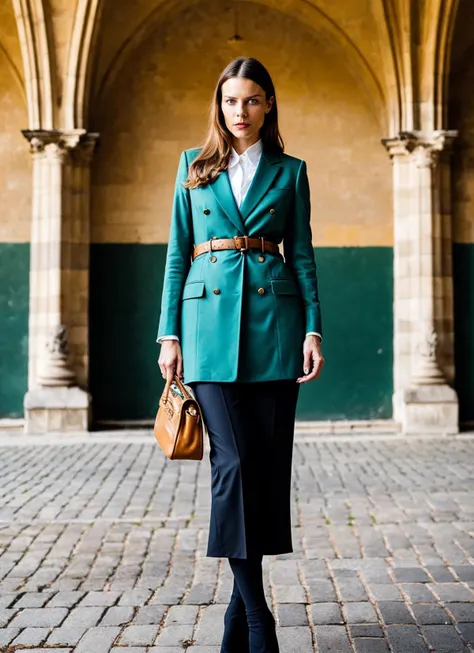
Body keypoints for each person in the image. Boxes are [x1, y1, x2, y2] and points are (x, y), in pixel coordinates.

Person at [157, 56, 325, 653]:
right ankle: (258, 619)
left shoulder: (292, 171)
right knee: (231, 465)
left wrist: (313, 329)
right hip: (205, 329)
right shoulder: (192, 167)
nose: (241, 112)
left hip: (276, 329)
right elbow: (179, 252)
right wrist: (168, 335)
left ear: (268, 104)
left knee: (266, 466)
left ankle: (234, 624)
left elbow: (301, 253)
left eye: (252, 100)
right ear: (219, 106)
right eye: (231, 101)